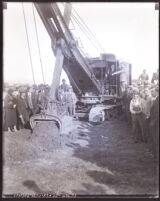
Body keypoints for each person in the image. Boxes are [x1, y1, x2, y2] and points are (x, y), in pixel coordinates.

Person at [148, 86, 159, 160]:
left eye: (152, 91)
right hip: (154, 122)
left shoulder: (157, 100)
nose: (151, 93)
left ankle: (157, 156)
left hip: (156, 124)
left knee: (156, 140)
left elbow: (157, 113)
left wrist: (153, 123)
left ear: (157, 92)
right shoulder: (156, 99)